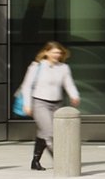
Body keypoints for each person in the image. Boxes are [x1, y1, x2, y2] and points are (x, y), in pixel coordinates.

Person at [17, 40, 79, 170]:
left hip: (57, 103)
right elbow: (27, 86)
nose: (57, 55)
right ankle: (60, 161)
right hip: (39, 102)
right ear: (46, 52)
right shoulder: (36, 66)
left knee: (43, 132)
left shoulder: (63, 67)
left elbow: (68, 83)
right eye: (54, 52)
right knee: (50, 133)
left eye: (59, 53)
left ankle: (35, 161)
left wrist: (74, 95)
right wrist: (27, 105)